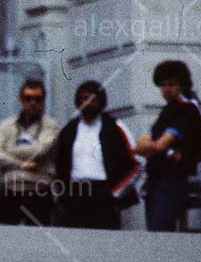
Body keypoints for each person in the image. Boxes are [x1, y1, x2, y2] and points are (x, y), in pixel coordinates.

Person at [54, 80, 139, 230]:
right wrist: (61, 195)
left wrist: (115, 193)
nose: (88, 103)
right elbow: (58, 164)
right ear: (78, 101)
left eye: (94, 99)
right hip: (74, 195)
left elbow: (137, 163)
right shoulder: (68, 130)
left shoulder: (115, 127)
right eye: (84, 98)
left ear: (101, 102)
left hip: (103, 195)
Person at [134, 60, 201, 231]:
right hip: (157, 178)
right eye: (163, 85)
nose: (166, 89)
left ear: (182, 84)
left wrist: (152, 146)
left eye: (172, 84)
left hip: (172, 179)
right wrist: (152, 146)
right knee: (155, 230)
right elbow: (140, 146)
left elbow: (160, 144)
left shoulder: (186, 108)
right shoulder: (170, 109)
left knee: (160, 231)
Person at [0, 78, 60, 225]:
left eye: (37, 99)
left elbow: (41, 150)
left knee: (39, 237)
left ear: (44, 100)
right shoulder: (7, 125)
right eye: (28, 98)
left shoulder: (50, 125)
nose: (32, 102)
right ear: (20, 99)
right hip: (10, 190)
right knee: (2, 235)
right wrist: (20, 164)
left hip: (38, 191)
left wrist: (8, 150)